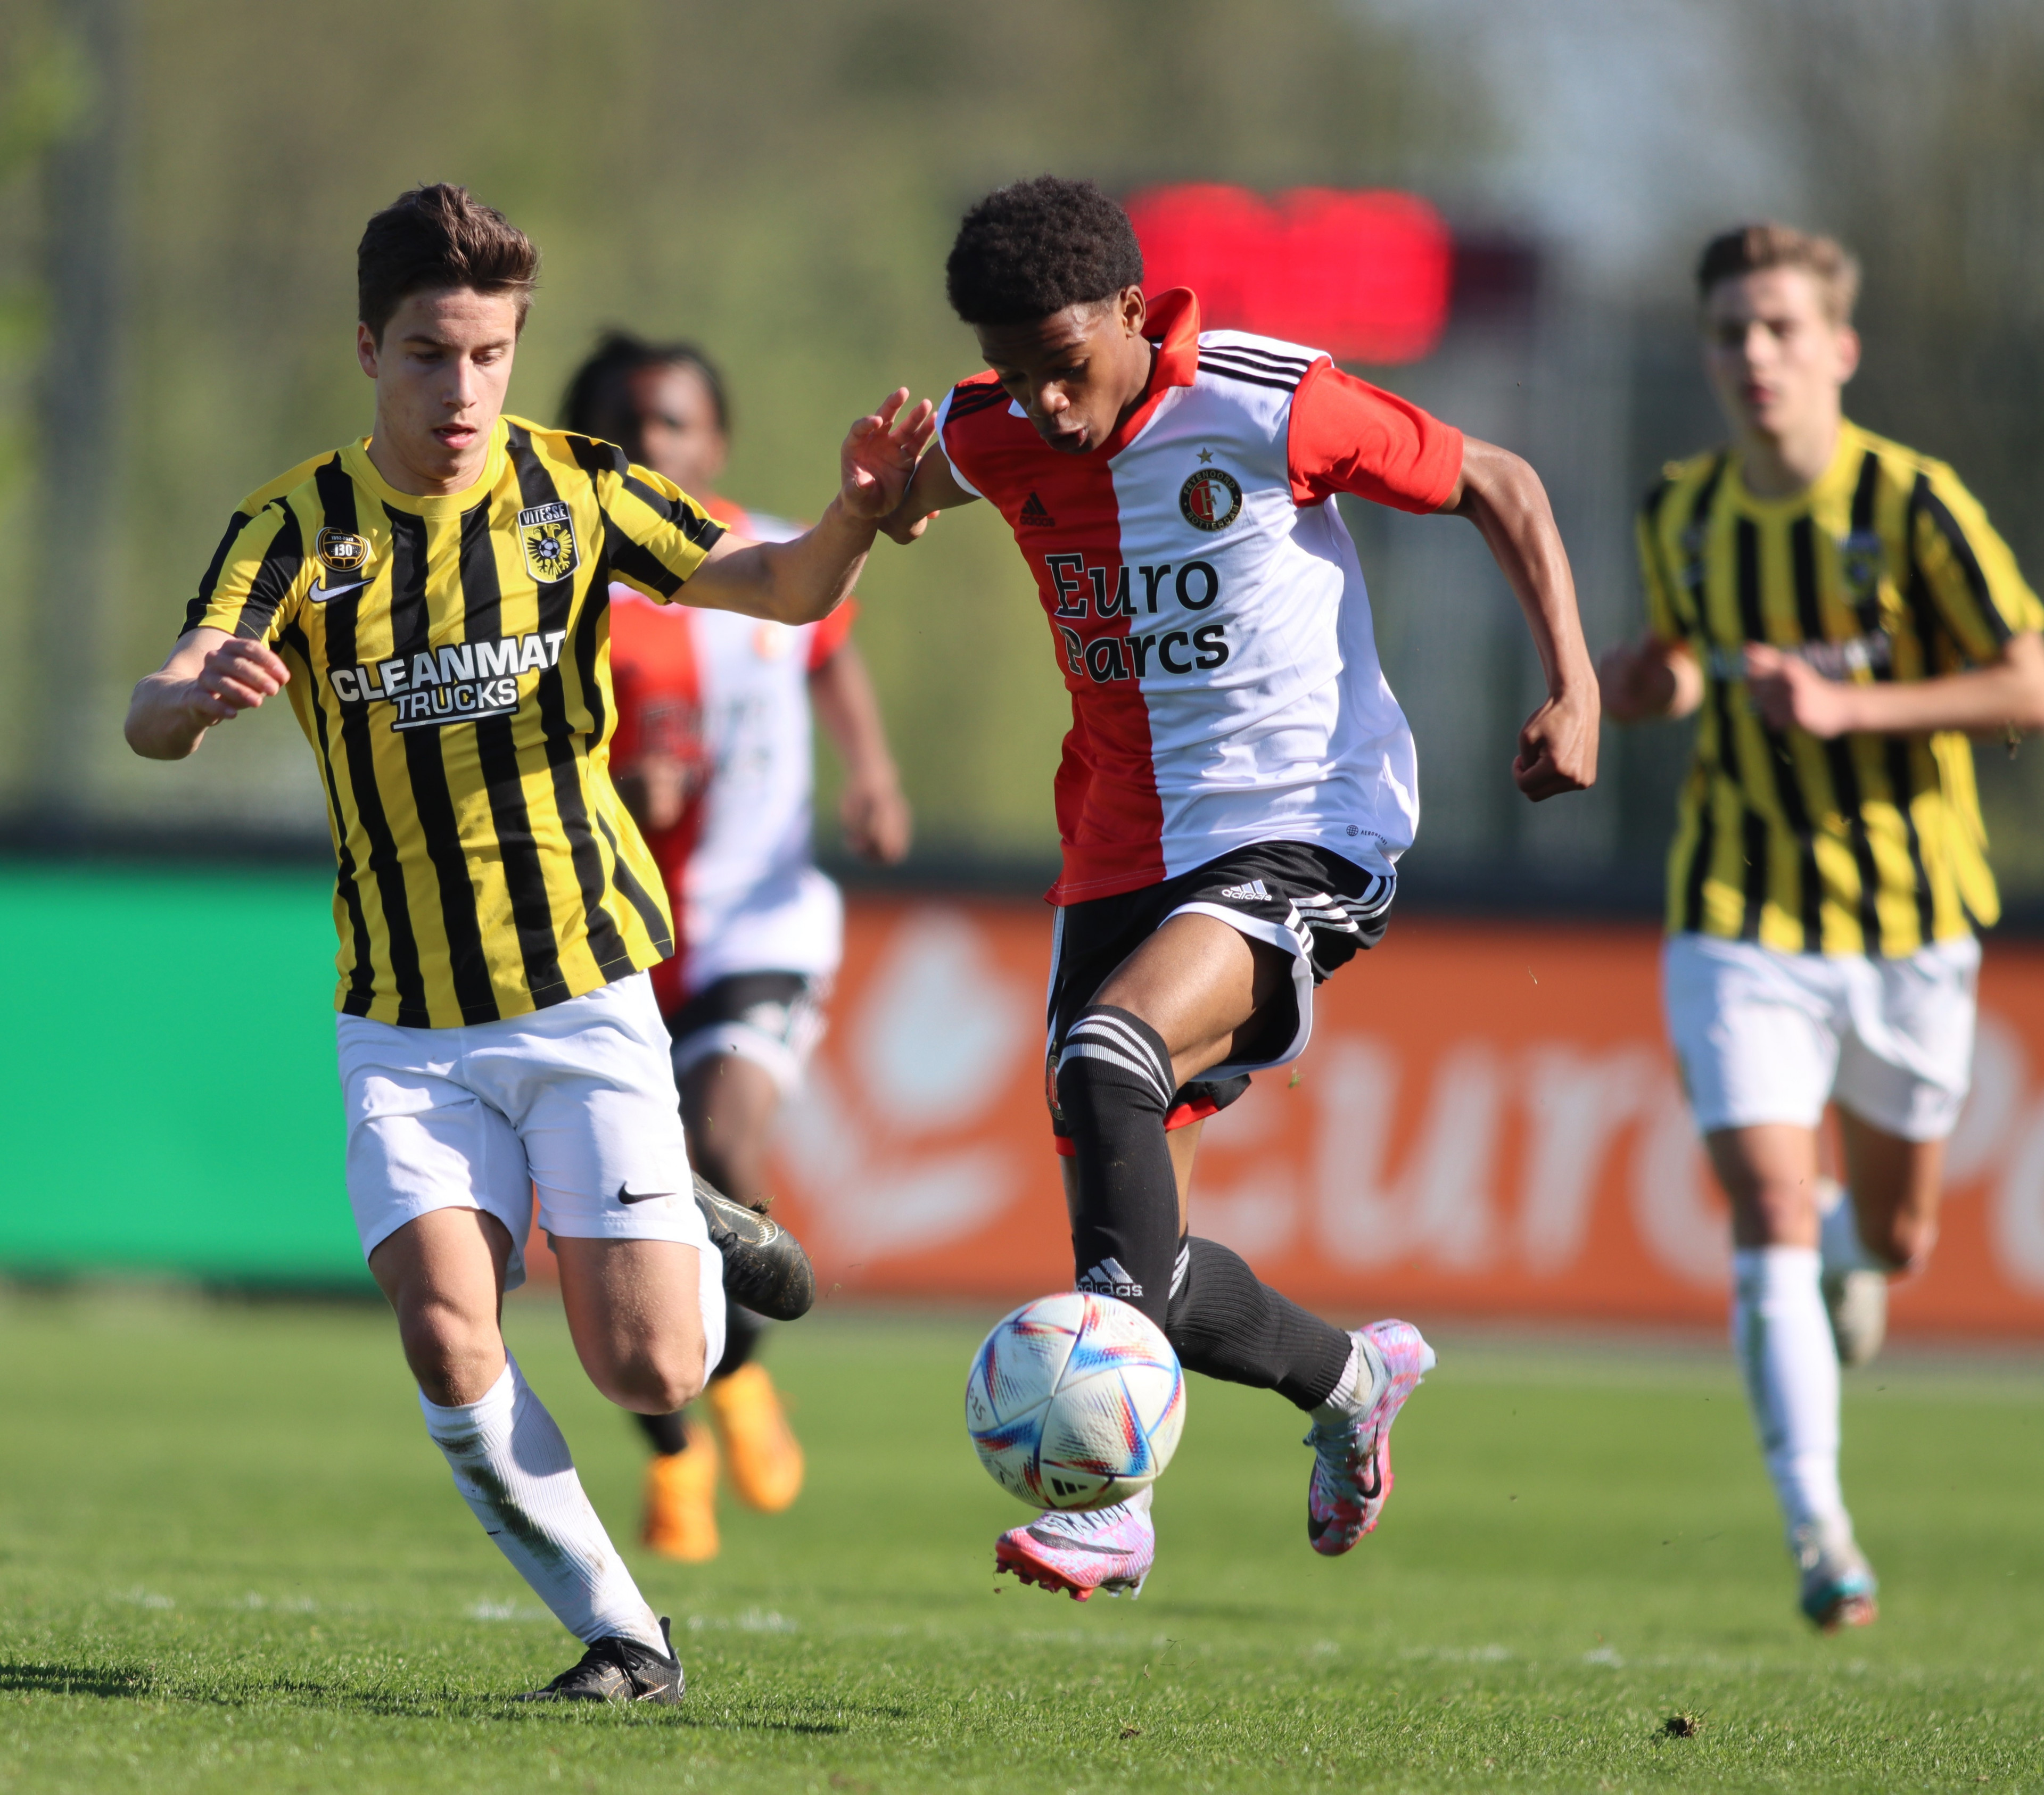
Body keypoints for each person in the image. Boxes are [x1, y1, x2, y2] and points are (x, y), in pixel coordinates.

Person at [123, 184, 930, 1700]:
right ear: (370, 348)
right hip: (401, 1021)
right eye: (431, 354)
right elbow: (153, 707)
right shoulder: (292, 528)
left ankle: (682, 1215)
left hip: (580, 993)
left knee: (653, 1367)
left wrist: (855, 518)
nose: (464, 390)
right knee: (448, 1333)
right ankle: (626, 1634)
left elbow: (782, 589)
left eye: (490, 355)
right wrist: (193, 700)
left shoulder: (581, 489)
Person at [877, 176, 1600, 1599]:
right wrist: (880, 495)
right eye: (1014, 375)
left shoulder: (1270, 403)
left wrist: (1574, 686)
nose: (1046, 407)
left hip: (1299, 823)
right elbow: (915, 498)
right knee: (1135, 1261)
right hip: (1116, 850)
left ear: (1132, 312)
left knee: (1108, 1057)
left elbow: (1501, 480)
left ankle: (1114, 1510)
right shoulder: (996, 425)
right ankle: (1350, 1381)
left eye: (1065, 366)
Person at [1600, 223, 2044, 1631]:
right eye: (1732, 330)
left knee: (1895, 1234)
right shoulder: (1680, 514)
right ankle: (1820, 1528)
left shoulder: (1915, 504)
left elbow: (2030, 680)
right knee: (1772, 1202)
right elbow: (1685, 663)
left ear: (1839, 348)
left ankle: (1866, 1256)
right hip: (1738, 907)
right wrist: (1647, 685)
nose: (1755, 353)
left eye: (1781, 327)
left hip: (1911, 919)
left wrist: (1856, 707)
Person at [559, 333, 913, 1561]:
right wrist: (621, 784)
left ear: (716, 439)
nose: (654, 445)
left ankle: (742, 1369)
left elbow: (829, 649)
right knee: (611, 1209)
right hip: (604, 940)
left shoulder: (763, 560)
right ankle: (678, 1447)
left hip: (759, 921)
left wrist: (871, 772)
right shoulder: (565, 588)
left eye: (675, 423)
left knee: (717, 1145)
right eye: (628, 427)